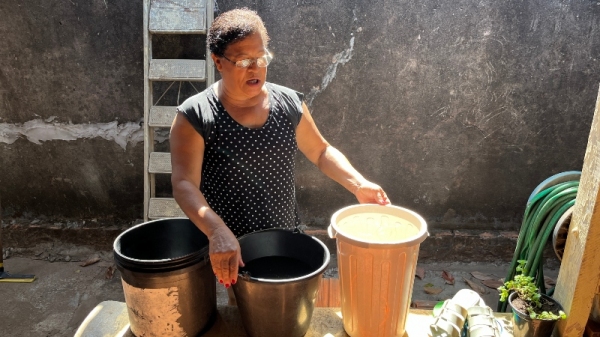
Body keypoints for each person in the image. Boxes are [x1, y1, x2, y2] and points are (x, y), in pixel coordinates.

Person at [170, 8, 390, 289]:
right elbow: (184, 183)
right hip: (230, 247)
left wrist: (359, 185)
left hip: (284, 238)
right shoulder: (196, 115)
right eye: (243, 61)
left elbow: (321, 152)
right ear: (218, 61)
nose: (255, 68)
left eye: (261, 57)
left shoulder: (288, 104)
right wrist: (217, 231)